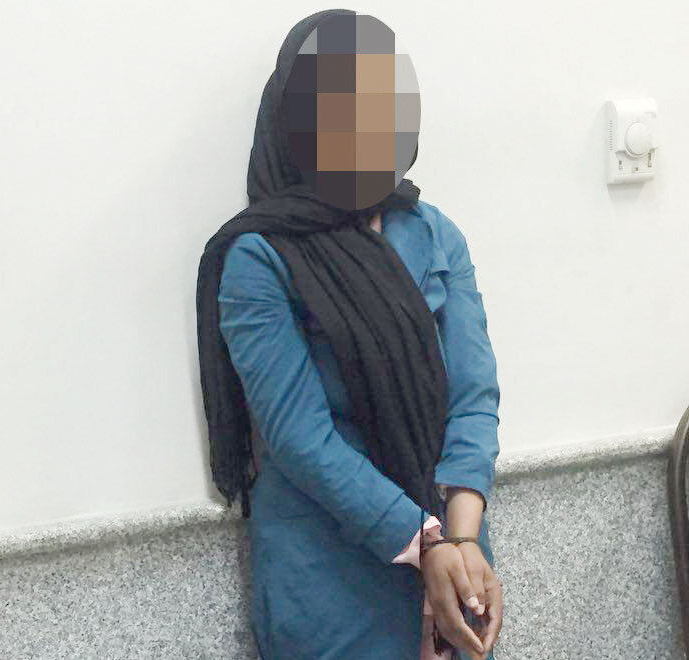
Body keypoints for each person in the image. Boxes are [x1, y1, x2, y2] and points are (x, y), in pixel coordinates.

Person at [196, 9, 503, 659]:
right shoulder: (259, 257)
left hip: (457, 556)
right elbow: (300, 437)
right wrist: (426, 543)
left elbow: (474, 397)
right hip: (330, 575)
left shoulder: (433, 233)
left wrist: (463, 538)